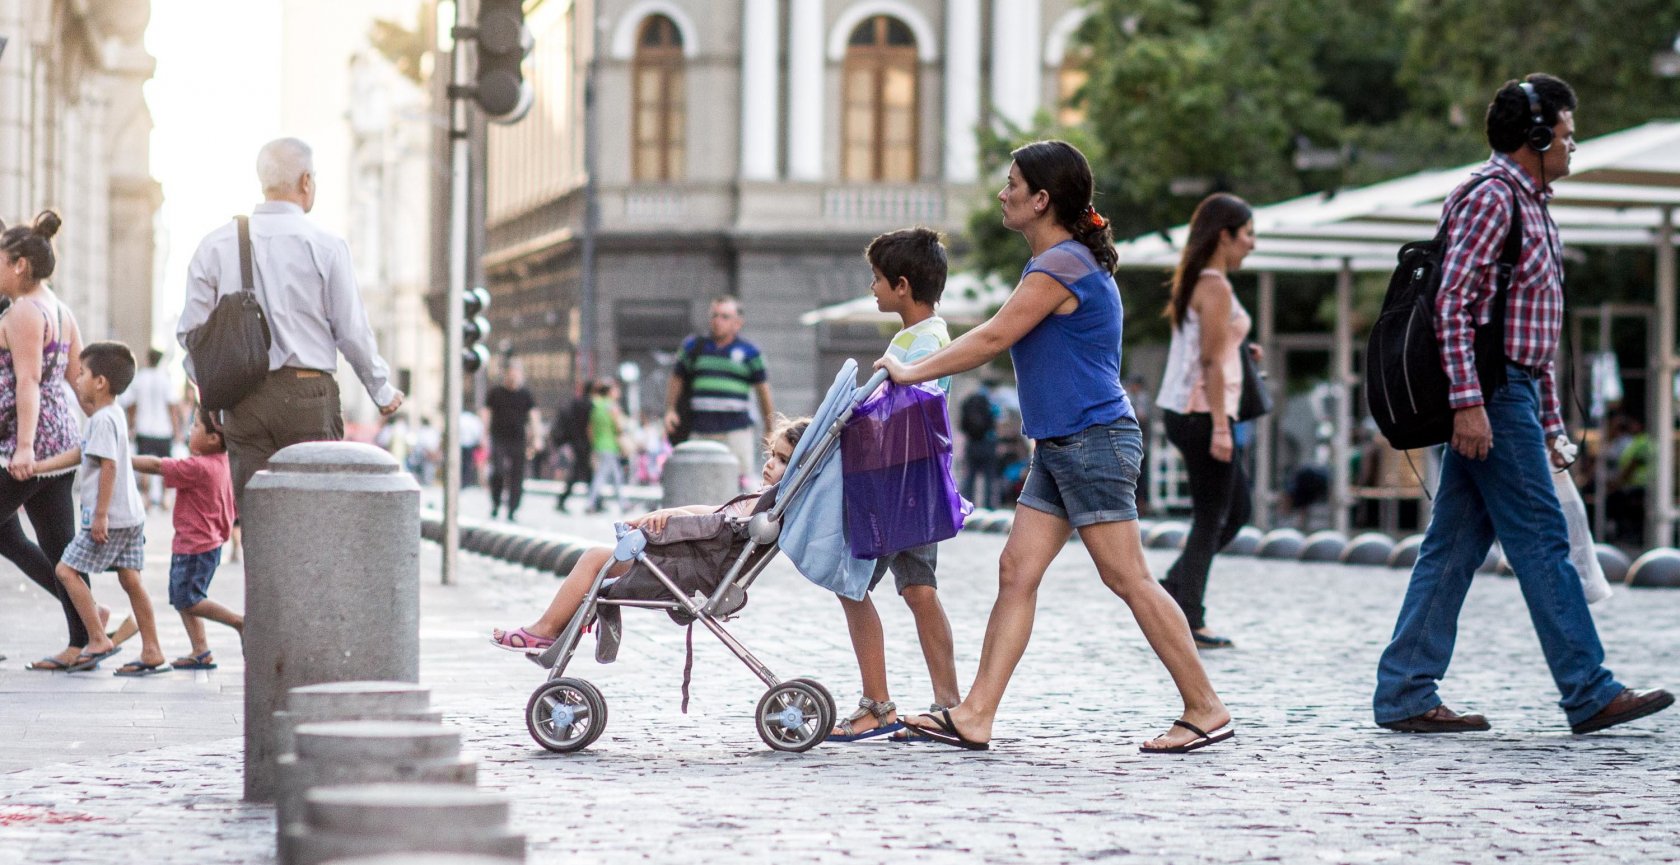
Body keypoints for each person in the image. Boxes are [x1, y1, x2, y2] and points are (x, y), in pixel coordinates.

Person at [876, 140, 1230, 753]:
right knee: (1016, 571)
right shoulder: (1057, 264)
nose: (1002, 193)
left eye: (1012, 183)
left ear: (1042, 200)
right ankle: (976, 714)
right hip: (1063, 444)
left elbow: (994, 335)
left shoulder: (1061, 266)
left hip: (1092, 440)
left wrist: (912, 371)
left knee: (1128, 578)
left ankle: (1205, 707)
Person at [1373, 74, 1671, 735]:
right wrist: (1469, 404)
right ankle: (1588, 688)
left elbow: (1531, 329)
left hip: (1513, 392)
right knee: (1541, 539)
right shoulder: (1492, 198)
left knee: (1451, 545)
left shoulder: (1530, 202)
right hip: (1492, 393)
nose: (1573, 146)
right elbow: (1453, 307)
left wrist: (1551, 423)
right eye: (1567, 134)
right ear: (1534, 138)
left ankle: (1403, 690)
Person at [177, 137, 404, 514]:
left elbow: (191, 335)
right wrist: (380, 388)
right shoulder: (326, 245)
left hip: (242, 401)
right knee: (315, 520)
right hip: (308, 397)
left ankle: (265, 577)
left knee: (259, 523)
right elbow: (350, 330)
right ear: (305, 182)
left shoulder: (214, 246)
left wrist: (213, 393)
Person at [490, 416, 809, 651]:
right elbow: (712, 513)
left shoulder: (766, 510)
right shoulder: (764, 502)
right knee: (599, 565)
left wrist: (662, 524)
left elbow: (712, 524)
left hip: (689, 572)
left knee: (594, 560)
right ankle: (553, 632)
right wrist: (659, 516)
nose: (770, 464)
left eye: (782, 460)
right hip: (694, 567)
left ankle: (545, 630)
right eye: (771, 455)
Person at [827, 227, 962, 742]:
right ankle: (945, 703)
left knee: (856, 584)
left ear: (902, 285)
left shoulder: (923, 341)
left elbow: (914, 402)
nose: (872, 288)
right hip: (909, 477)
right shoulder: (914, 337)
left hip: (900, 481)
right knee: (918, 589)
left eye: (878, 279)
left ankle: (880, 704)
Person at [1155, 193, 1259, 649]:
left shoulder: (1197, 281)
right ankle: (1189, 616)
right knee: (1214, 515)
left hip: (1188, 409)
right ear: (1225, 235)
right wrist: (1221, 427)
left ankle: (1177, 587)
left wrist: (1241, 350)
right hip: (1202, 413)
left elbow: (1215, 350)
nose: (1251, 245)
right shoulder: (1214, 285)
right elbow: (1210, 363)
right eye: (1248, 235)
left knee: (1234, 511)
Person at [0, 211, 101, 672]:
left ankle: (89, 633)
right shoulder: (59, 308)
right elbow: (77, 377)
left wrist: (23, 447)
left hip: (31, 441)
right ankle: (86, 637)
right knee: (59, 544)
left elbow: (28, 380)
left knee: (51, 541)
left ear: (20, 265)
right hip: (60, 434)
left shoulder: (23, 310)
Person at [37, 342, 169, 676]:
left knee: (66, 570)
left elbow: (108, 466)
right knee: (131, 579)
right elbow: (83, 454)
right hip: (131, 516)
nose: (77, 380)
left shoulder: (101, 420)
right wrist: (40, 466)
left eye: (81, 373)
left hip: (111, 517)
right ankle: (152, 649)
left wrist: (100, 515)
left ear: (100, 382)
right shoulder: (113, 416)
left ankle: (97, 636)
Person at [132, 406, 240, 670]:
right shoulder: (223, 462)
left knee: (188, 599)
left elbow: (158, 465)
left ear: (213, 439)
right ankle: (200, 649)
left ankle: (239, 622)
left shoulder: (199, 467)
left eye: (194, 427)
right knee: (185, 596)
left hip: (195, 545)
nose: (189, 430)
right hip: (205, 543)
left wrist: (122, 458)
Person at [663, 297, 775, 489]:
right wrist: (670, 409)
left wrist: (770, 426)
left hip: (736, 430)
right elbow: (677, 378)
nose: (718, 321)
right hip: (700, 429)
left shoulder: (750, 352)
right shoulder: (693, 347)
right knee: (697, 484)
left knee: (739, 483)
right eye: (714, 315)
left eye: (725, 316)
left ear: (737, 323)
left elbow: (762, 390)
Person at [120, 348, 177, 509]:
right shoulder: (165, 378)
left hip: (143, 427)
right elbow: (172, 406)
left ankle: (146, 497)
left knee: (144, 463)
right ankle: (166, 497)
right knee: (166, 464)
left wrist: (131, 424)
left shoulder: (139, 378)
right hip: (163, 428)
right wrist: (176, 429)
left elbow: (131, 404)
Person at [482, 359, 538, 520]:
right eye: (511, 373)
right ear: (506, 374)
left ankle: (513, 509)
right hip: (499, 437)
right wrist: (484, 436)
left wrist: (536, 437)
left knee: (517, 475)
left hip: (518, 439)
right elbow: (487, 413)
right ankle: (496, 503)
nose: (514, 376)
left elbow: (533, 415)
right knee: (498, 471)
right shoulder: (496, 392)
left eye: (517, 373)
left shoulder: (525, 394)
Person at [586, 379, 628, 514]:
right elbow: (619, 427)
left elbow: (590, 428)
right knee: (602, 476)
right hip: (610, 445)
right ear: (610, 392)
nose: (618, 392)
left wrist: (594, 444)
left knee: (616, 475)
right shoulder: (612, 406)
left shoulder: (596, 405)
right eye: (616, 390)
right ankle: (591, 503)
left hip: (599, 445)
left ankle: (623, 503)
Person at [957, 380, 999, 509]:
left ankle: (966, 506)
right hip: (987, 443)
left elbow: (961, 425)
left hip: (972, 443)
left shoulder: (968, 401)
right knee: (989, 479)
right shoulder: (990, 402)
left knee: (969, 477)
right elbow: (995, 420)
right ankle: (988, 508)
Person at [551, 385, 593, 511]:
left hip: (577, 443)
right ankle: (594, 501)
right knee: (582, 474)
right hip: (583, 444)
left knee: (584, 474)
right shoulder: (588, 405)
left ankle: (595, 500)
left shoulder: (574, 404)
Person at [458, 408, 485, 487]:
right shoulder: (474, 420)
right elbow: (477, 432)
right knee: (467, 464)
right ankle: (465, 481)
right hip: (470, 444)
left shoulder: (460, 417)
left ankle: (461, 480)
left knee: (460, 463)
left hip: (460, 443)